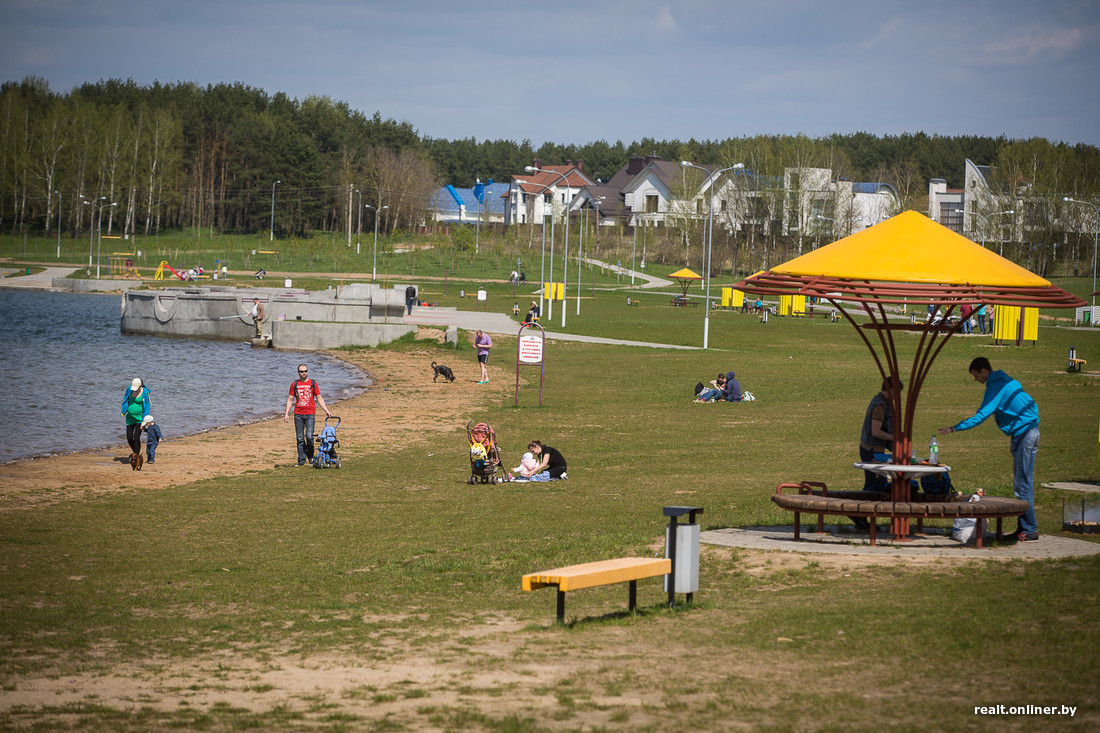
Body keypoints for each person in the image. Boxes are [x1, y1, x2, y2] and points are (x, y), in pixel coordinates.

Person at [938, 357, 1040, 542]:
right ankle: (1024, 528)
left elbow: (981, 416)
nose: (976, 379)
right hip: (1032, 431)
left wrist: (954, 428)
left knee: (1022, 484)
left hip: (1023, 435)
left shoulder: (996, 388)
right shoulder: (1010, 381)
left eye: (976, 375)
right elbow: (1031, 403)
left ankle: (1030, 529)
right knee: (1025, 482)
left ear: (984, 371)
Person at [283, 363, 333, 467]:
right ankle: (301, 461)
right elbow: (290, 399)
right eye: (301, 371)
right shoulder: (294, 384)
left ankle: (310, 457)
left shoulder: (313, 383)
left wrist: (326, 411)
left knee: (309, 436)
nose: (303, 373)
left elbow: (319, 398)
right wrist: (286, 413)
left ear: (307, 371)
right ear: (298, 373)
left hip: (310, 414)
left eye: (305, 371)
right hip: (298, 414)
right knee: (300, 438)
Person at [859, 377, 898, 493]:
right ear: (890, 390)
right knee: (876, 486)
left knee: (876, 484)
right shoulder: (880, 406)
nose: (897, 396)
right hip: (872, 450)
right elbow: (876, 432)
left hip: (872, 449)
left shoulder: (880, 401)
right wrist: (895, 438)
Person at [121, 377, 151, 471]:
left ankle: (136, 457)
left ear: (140, 386)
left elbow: (147, 406)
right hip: (130, 417)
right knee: (129, 437)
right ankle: (135, 453)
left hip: (139, 419)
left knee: (136, 437)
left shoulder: (145, 392)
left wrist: (144, 421)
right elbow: (125, 399)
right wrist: (124, 409)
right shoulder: (129, 389)